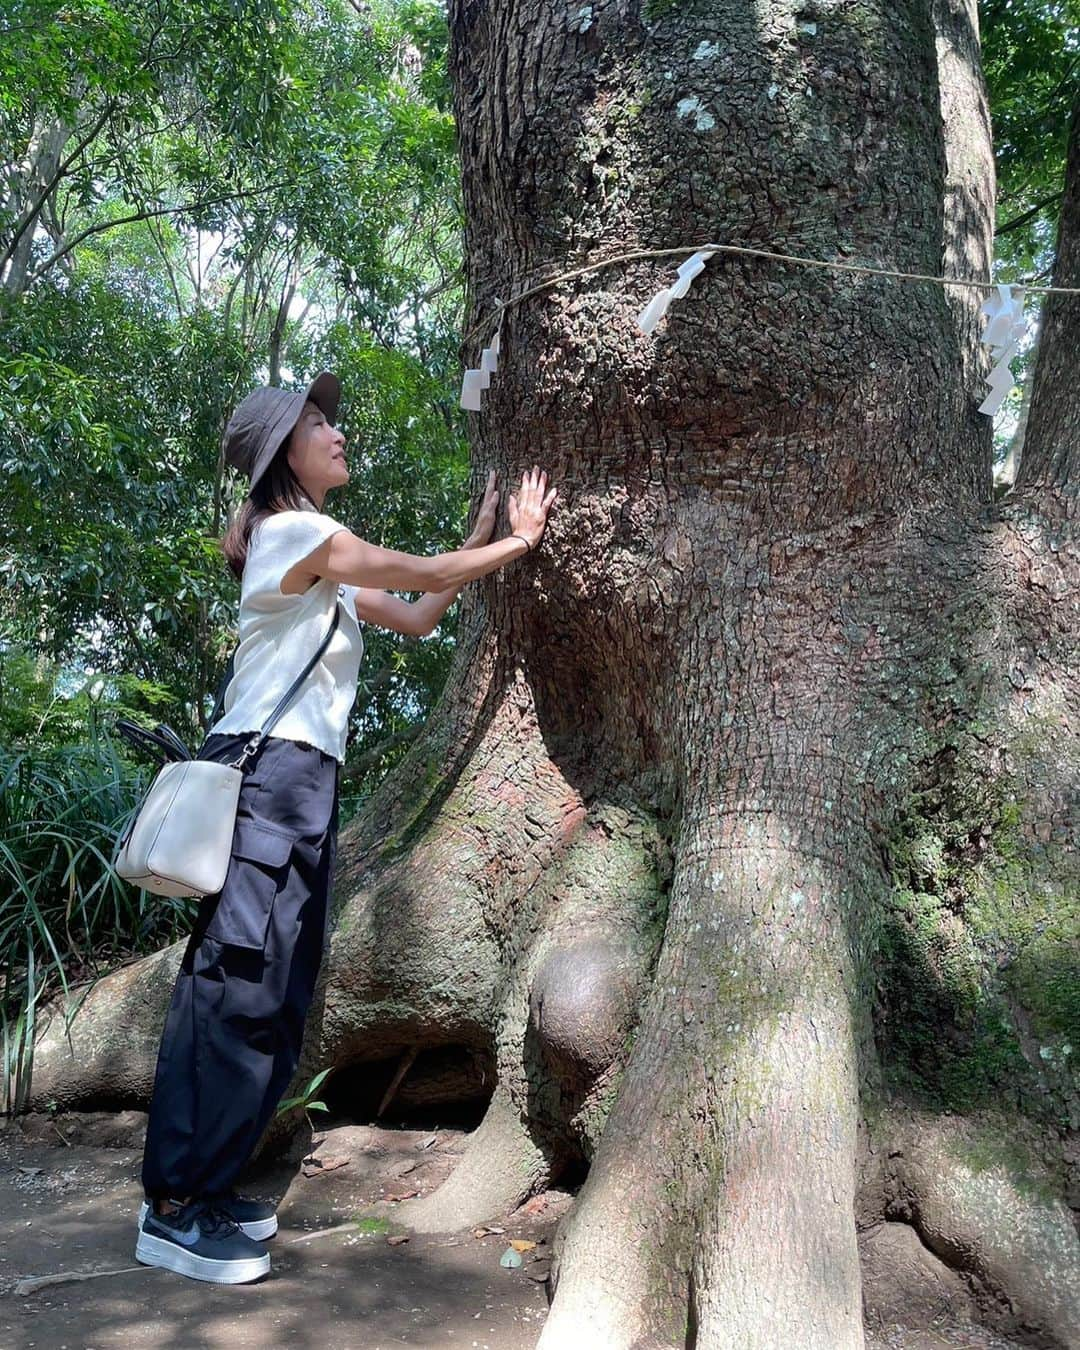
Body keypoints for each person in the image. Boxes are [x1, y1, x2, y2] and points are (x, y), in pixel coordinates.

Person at [134, 370, 557, 1284]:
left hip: (300, 790)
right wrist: (518, 543)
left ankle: (208, 1189)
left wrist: (480, 542)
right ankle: (173, 1208)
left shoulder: (318, 568)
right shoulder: (295, 534)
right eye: (316, 423)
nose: (334, 432)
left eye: (329, 417)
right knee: (234, 993)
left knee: (277, 1001)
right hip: (266, 784)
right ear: (283, 452)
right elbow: (422, 576)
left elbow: (416, 613)